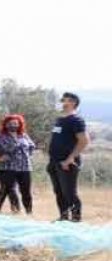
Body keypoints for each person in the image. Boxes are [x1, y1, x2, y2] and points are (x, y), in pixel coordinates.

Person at [48, 92, 91, 222]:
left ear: (73, 103)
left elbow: (84, 141)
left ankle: (76, 220)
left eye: (65, 100)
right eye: (62, 100)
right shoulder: (60, 120)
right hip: (54, 162)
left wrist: (70, 158)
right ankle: (64, 218)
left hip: (67, 163)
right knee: (59, 192)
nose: (63, 103)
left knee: (69, 194)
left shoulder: (76, 120)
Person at [0, 114, 36, 214]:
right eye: (10, 123)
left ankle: (29, 212)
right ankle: (14, 212)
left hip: (25, 168)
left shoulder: (24, 136)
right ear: (6, 124)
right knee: (9, 190)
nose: (13, 125)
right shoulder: (1, 137)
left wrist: (26, 156)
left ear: (19, 124)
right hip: (8, 168)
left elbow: (32, 147)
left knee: (26, 192)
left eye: (15, 123)